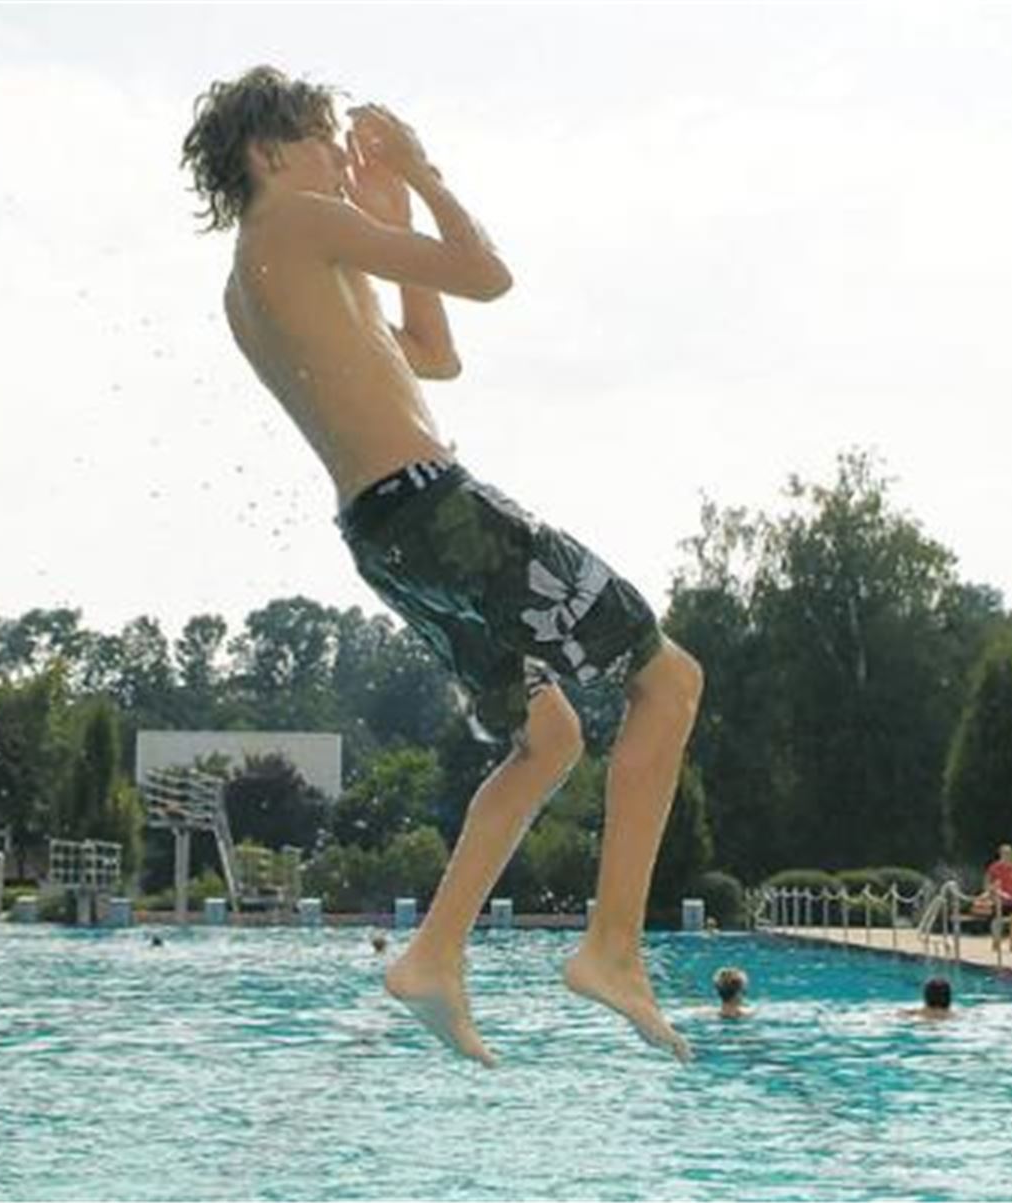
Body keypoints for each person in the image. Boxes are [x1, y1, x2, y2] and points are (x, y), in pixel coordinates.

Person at [180, 67, 703, 1068]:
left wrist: (382, 217)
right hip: (435, 507)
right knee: (670, 681)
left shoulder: (269, 267)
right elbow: (488, 273)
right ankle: (613, 949)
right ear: (269, 151)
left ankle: (433, 954)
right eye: (328, 140)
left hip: (388, 537)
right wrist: (421, 175)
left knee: (548, 739)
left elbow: (433, 354)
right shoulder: (290, 222)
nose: (343, 157)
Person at [984, 843, 1012, 952]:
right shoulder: (994, 868)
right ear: (1000, 854)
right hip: (999, 899)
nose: (1007, 855)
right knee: (997, 921)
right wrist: (993, 895)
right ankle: (996, 942)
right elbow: (988, 883)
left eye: (1009, 853)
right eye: (1005, 853)